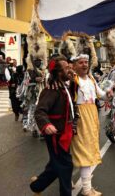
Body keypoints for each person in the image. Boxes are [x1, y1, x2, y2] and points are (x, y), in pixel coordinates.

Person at [31, 56, 74, 196]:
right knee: (65, 165)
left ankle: (37, 186)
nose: (70, 69)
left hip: (65, 133)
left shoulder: (63, 85)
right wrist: (46, 124)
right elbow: (40, 111)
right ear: (58, 72)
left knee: (56, 166)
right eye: (66, 68)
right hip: (56, 135)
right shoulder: (51, 90)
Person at [70, 54, 110, 196]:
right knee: (84, 152)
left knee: (82, 150)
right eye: (81, 62)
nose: (85, 65)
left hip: (92, 116)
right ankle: (86, 189)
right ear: (74, 65)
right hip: (79, 117)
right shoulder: (72, 80)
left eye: (86, 62)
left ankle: (67, 179)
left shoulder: (92, 79)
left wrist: (110, 92)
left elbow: (102, 95)